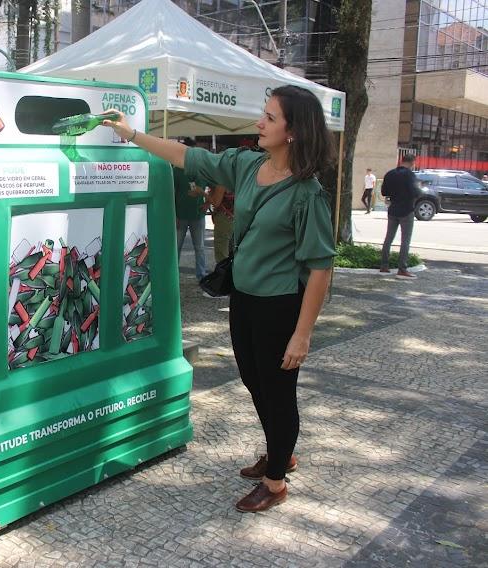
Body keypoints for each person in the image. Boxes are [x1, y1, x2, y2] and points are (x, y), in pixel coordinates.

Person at [102, 85, 335, 513]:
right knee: (252, 379)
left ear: (294, 131)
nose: (259, 123)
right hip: (244, 298)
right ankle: (280, 451)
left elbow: (321, 268)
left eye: (269, 117)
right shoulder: (248, 166)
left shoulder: (308, 195)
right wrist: (130, 133)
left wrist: (302, 335)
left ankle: (276, 480)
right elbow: (186, 156)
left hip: (280, 306)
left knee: (279, 392)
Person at [379, 155, 421, 278]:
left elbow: (384, 192)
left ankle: (384, 265)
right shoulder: (410, 175)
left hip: (393, 209)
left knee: (388, 238)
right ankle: (402, 268)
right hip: (407, 210)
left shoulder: (390, 174)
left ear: (401, 161)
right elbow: (415, 192)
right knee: (405, 240)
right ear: (412, 162)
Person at [173, 147, 208, 281]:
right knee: (176, 248)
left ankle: (202, 276)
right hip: (180, 215)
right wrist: (174, 213)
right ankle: (173, 275)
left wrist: (206, 203)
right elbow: (172, 192)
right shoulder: (177, 170)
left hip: (198, 215)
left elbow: (217, 187)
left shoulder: (203, 171)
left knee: (200, 248)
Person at [206, 184, 235, 263]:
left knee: (221, 254)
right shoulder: (237, 177)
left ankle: (223, 274)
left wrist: (203, 193)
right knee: (232, 251)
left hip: (224, 218)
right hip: (235, 217)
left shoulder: (222, 181)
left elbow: (216, 202)